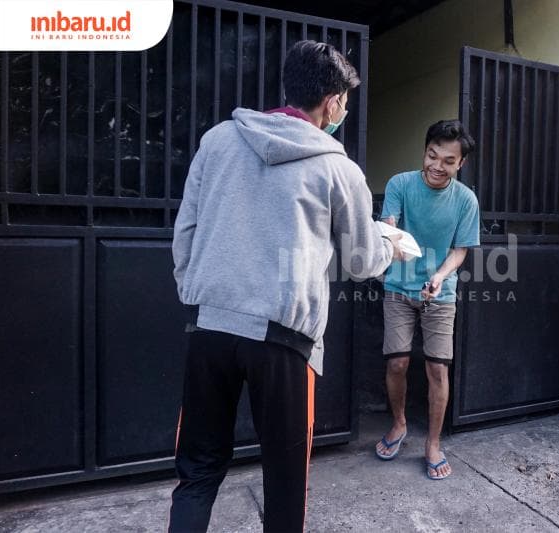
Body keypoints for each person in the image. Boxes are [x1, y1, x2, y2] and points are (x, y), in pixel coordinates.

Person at [168, 40, 403, 532]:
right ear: (333, 101)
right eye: (344, 101)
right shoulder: (338, 168)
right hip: (284, 343)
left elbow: (185, 231)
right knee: (285, 482)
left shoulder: (217, 141)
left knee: (197, 472)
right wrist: (391, 243)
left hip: (209, 328)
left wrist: (197, 294)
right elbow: (361, 262)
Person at [375, 120, 479, 480]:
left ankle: (433, 443)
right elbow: (389, 224)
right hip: (398, 289)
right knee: (397, 364)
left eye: (448, 161)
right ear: (425, 151)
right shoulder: (400, 184)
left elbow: (461, 250)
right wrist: (391, 241)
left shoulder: (466, 200)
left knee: (437, 368)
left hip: (441, 292)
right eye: (432, 155)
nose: (437, 166)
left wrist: (438, 276)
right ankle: (399, 423)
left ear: (460, 164)